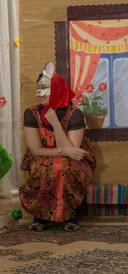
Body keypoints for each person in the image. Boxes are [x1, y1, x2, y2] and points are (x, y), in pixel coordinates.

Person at [20, 62, 95, 232]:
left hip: (73, 158)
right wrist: (63, 151)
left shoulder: (75, 114)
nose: (40, 92)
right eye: (38, 87)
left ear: (58, 89)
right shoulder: (31, 113)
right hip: (44, 156)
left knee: (66, 166)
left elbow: (73, 151)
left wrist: (55, 123)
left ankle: (69, 215)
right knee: (44, 166)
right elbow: (36, 150)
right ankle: (41, 215)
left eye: (45, 87)